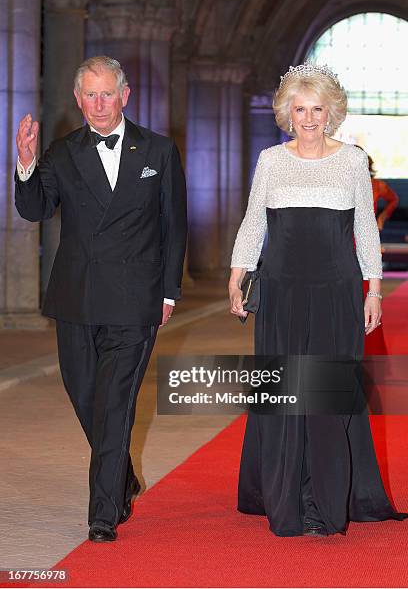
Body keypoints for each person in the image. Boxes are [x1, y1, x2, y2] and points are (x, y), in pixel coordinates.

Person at [229, 63, 407, 536]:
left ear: (332, 112)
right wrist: (237, 275)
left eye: (317, 109)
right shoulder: (271, 160)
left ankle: (325, 505)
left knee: (328, 393)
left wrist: (374, 290)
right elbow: (254, 222)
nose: (308, 118)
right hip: (282, 289)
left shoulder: (351, 160)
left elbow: (365, 229)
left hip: (337, 290)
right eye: (300, 108)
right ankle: (287, 497)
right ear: (288, 112)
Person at [15, 56, 187, 543]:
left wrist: (170, 290)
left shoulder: (157, 149)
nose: (98, 104)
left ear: (125, 95)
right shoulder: (63, 152)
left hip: (136, 300)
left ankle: (103, 513)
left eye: (107, 93)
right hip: (76, 298)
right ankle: (123, 478)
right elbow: (34, 209)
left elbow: (174, 227)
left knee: (115, 405)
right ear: (77, 99)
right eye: (89, 95)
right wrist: (26, 165)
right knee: (86, 397)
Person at [355, 147, 399, 355]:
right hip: (342, 241)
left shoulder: (377, 185)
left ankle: (371, 351)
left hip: (365, 240)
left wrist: (381, 218)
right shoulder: (340, 183)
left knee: (366, 294)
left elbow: (394, 200)